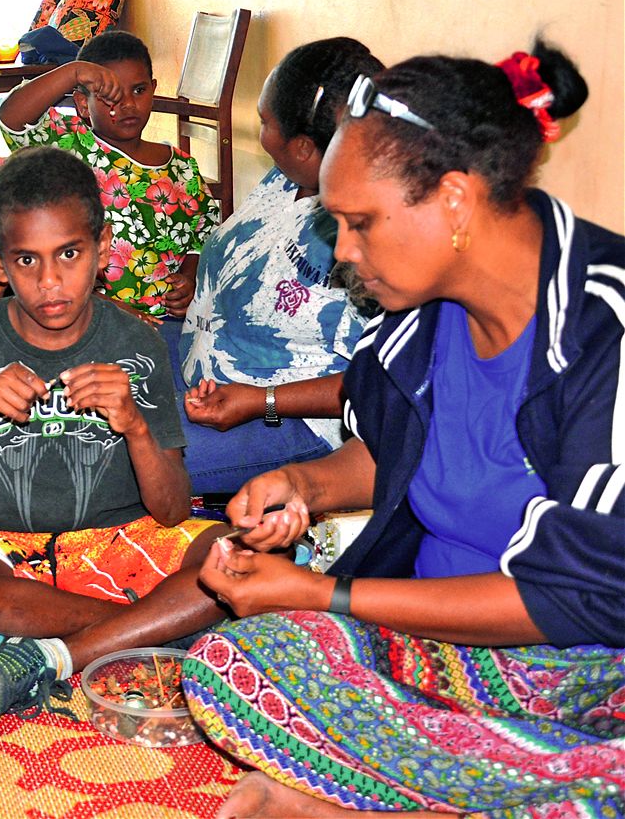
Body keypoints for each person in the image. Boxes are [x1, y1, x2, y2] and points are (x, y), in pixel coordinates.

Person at [184, 42, 624, 819]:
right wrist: (303, 485)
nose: (343, 251)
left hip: (585, 664)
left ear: (453, 200)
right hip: (436, 649)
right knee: (227, 665)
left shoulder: (602, 330)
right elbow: (393, 453)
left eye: (357, 223)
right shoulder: (414, 322)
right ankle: (503, 787)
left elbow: (574, 601)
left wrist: (329, 593)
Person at [0, 147, 234, 729]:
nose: (50, 281)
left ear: (102, 249)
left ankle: (54, 654)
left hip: (128, 541)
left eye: (69, 254)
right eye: (27, 262)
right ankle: (146, 629)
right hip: (11, 561)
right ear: (2, 267)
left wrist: (135, 423)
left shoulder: (137, 343)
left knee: (242, 556)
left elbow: (170, 509)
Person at [176, 39, 383, 494]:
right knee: (70, 377)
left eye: (266, 122)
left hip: (287, 419)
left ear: (305, 146)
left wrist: (262, 401)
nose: (261, 133)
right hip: (199, 364)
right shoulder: (285, 178)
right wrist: (200, 270)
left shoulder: (373, 233)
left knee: (100, 452)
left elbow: (385, 378)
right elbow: (247, 254)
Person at [0, 29, 221, 351]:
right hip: (84, 314)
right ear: (83, 105)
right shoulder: (70, 146)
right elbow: (12, 118)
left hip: (166, 321)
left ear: (154, 91)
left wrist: (189, 279)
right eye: (110, 96)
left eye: (139, 90)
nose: (127, 104)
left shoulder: (182, 167)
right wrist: (74, 72)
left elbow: (203, 234)